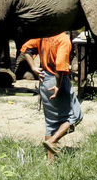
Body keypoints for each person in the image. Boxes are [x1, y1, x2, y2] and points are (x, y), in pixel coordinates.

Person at [22, 32, 83, 163]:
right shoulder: (63, 39)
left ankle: (51, 161)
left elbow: (26, 48)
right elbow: (60, 66)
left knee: (51, 123)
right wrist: (58, 85)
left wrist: (33, 67)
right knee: (76, 116)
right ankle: (52, 141)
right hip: (56, 81)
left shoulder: (44, 35)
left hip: (43, 80)